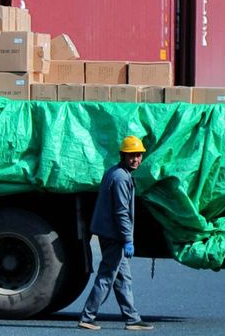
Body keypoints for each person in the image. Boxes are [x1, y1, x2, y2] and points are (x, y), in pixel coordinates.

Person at [78, 135, 153, 331]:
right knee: (107, 276)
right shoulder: (121, 178)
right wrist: (128, 240)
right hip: (114, 236)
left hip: (110, 233)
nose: (135, 159)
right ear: (123, 155)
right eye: (131, 155)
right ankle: (88, 316)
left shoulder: (116, 172)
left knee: (122, 278)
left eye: (138, 155)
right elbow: (121, 212)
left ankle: (132, 318)